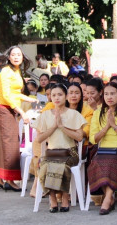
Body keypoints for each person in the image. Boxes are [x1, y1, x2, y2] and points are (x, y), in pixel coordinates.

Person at [33, 83, 86, 213]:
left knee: (61, 165)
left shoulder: (73, 114)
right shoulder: (45, 115)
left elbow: (79, 137)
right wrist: (53, 127)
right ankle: (52, 198)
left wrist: (62, 126)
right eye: (53, 95)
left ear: (66, 96)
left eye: (60, 95)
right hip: (51, 152)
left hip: (69, 152)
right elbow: (39, 139)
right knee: (44, 166)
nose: (57, 98)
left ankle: (65, 197)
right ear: (50, 97)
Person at [0, 46, 38, 191]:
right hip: (4, 110)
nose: (17, 57)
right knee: (10, 146)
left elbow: (15, 93)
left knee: (6, 144)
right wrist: (22, 112)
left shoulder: (16, 70)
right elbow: (6, 96)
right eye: (13, 54)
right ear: (8, 57)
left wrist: (29, 99)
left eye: (19, 54)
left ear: (22, 57)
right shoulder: (6, 71)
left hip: (9, 110)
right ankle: (9, 180)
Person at [87, 82, 117, 215]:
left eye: (113, 93)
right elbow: (93, 139)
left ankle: (107, 199)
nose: (109, 97)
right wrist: (106, 127)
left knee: (111, 162)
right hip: (103, 151)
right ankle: (110, 198)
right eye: (106, 94)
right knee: (95, 162)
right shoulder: (98, 113)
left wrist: (114, 125)